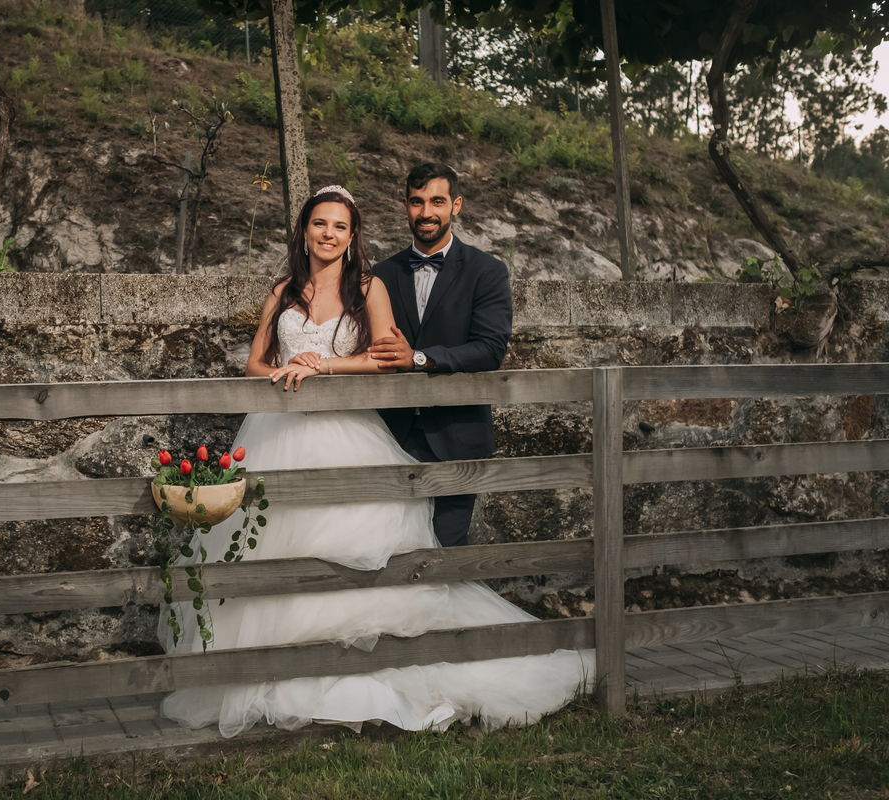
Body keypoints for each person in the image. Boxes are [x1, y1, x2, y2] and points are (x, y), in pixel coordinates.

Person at [159, 186, 590, 739]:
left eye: (340, 226)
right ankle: (279, 670)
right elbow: (253, 363)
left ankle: (362, 669)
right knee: (275, 548)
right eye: (320, 224)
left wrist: (327, 366)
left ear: (352, 234)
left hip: (347, 434)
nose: (329, 234)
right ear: (305, 230)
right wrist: (287, 372)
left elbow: (388, 360)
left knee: (352, 553)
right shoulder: (283, 290)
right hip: (279, 433)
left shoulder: (370, 288)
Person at [369, 162, 513, 548]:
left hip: (457, 434)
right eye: (417, 202)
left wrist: (419, 358)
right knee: (388, 548)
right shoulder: (380, 274)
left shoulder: (488, 271)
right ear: (405, 206)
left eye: (437, 201)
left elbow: (490, 349)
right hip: (387, 436)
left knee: (446, 553)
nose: (426, 212)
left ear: (456, 205)